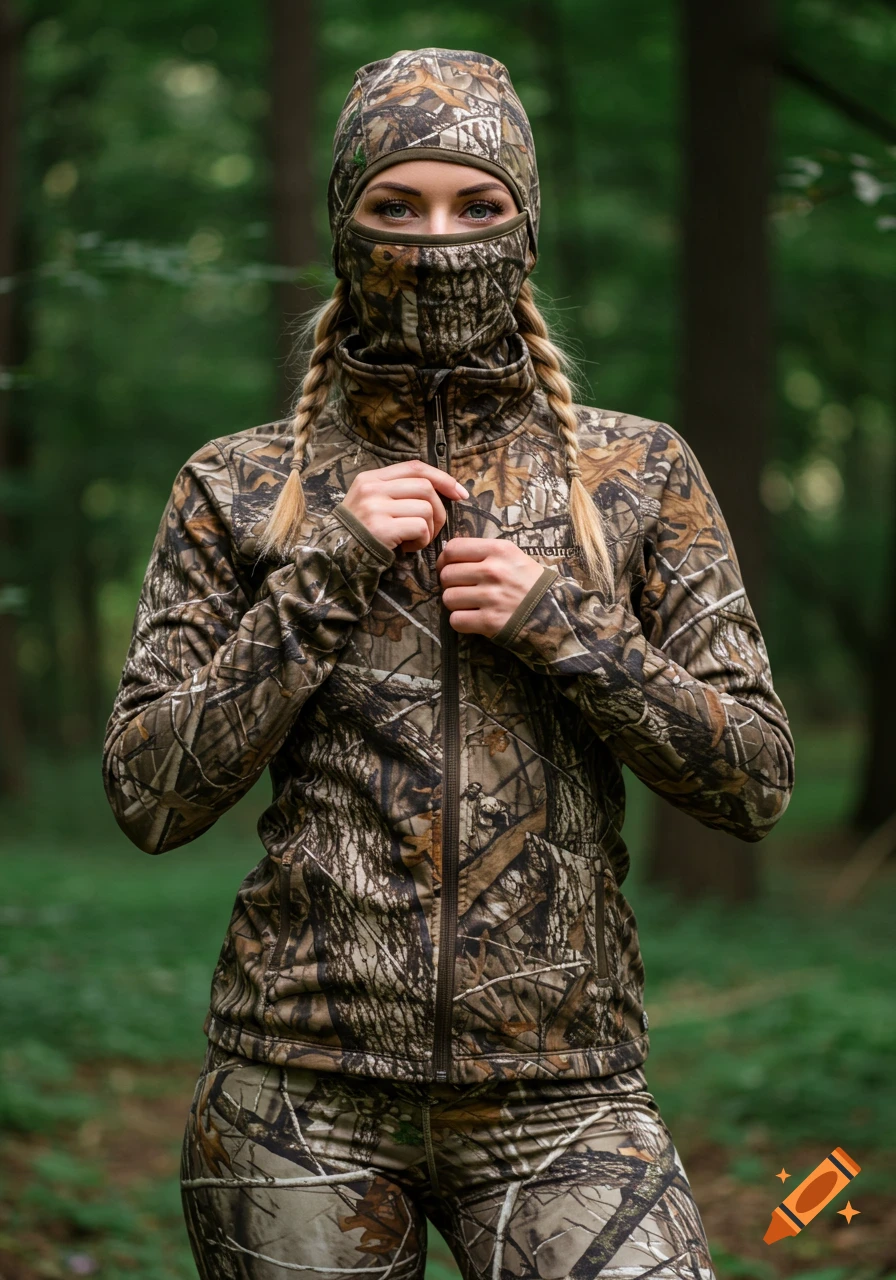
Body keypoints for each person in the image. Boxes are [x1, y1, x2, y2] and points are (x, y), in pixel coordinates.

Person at [103, 47, 794, 1279]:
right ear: (341, 224)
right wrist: (320, 569)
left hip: (564, 1084)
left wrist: (561, 619)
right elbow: (150, 793)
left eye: (476, 205)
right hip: (292, 1089)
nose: (437, 238)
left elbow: (753, 780)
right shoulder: (238, 483)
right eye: (395, 206)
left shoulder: (635, 474)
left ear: (524, 224)